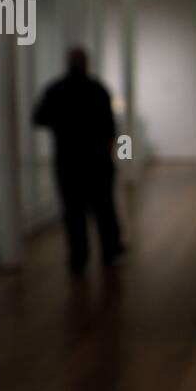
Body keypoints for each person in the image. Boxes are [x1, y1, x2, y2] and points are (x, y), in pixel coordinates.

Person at [32, 46, 125, 274]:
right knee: (104, 207)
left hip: (68, 161)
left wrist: (62, 123)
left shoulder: (56, 90)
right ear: (86, 63)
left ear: (67, 62)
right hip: (97, 160)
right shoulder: (97, 89)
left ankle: (78, 258)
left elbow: (38, 118)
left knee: (73, 212)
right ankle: (110, 251)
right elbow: (110, 128)